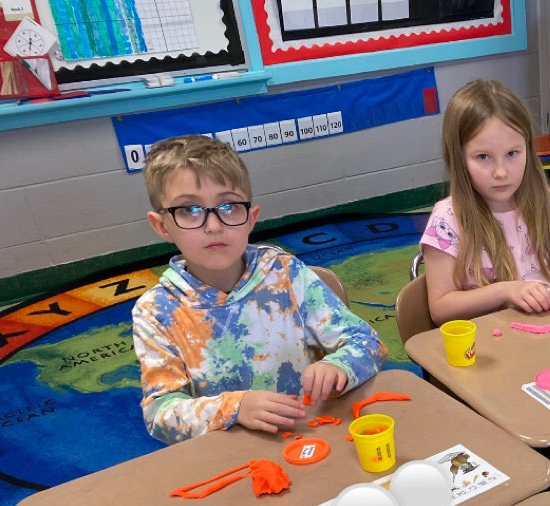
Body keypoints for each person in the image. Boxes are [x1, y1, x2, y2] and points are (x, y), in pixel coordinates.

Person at [132, 135, 384, 444]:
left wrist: (339, 365)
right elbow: (160, 413)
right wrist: (235, 407)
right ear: (161, 226)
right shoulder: (156, 311)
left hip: (312, 437)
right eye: (189, 210)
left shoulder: (285, 275)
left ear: (250, 218)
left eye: (228, 206)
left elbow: (366, 340)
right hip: (230, 453)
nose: (213, 225)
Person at [421, 79, 550, 325]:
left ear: (528, 150)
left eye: (512, 153)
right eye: (483, 157)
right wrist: (506, 290)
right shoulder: (448, 219)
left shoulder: (549, 205)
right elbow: (440, 307)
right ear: (458, 158)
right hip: (488, 347)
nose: (501, 172)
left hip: (548, 338)